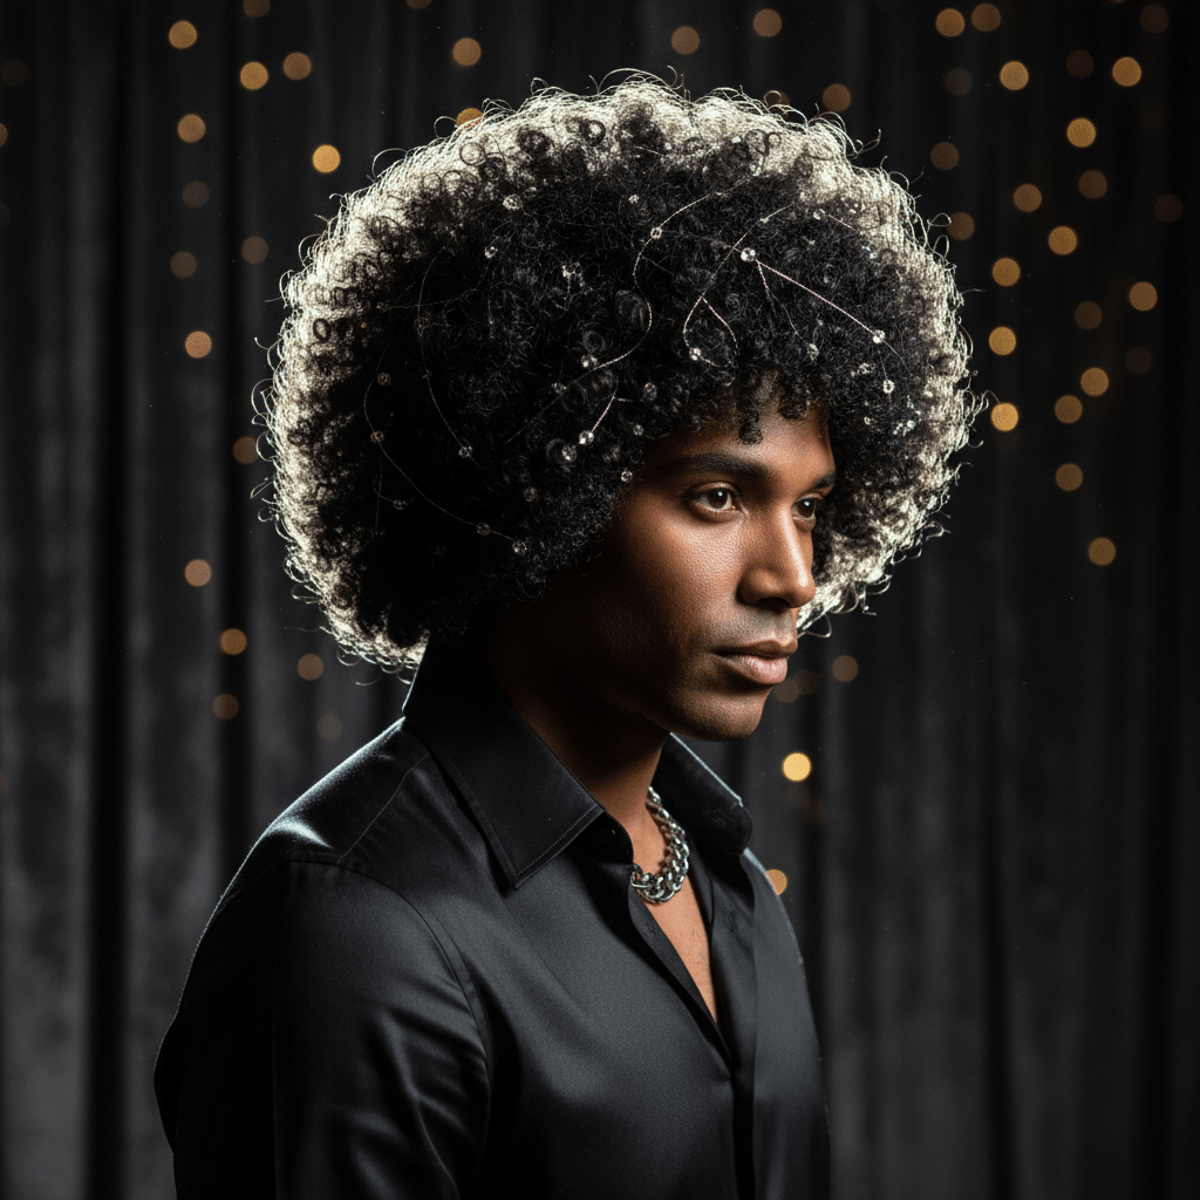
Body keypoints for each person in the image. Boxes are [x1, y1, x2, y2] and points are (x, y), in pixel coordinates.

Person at [154, 77, 975, 1198]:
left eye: (812, 506)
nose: (793, 578)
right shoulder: (353, 936)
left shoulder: (728, 880)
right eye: (718, 497)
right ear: (537, 489)